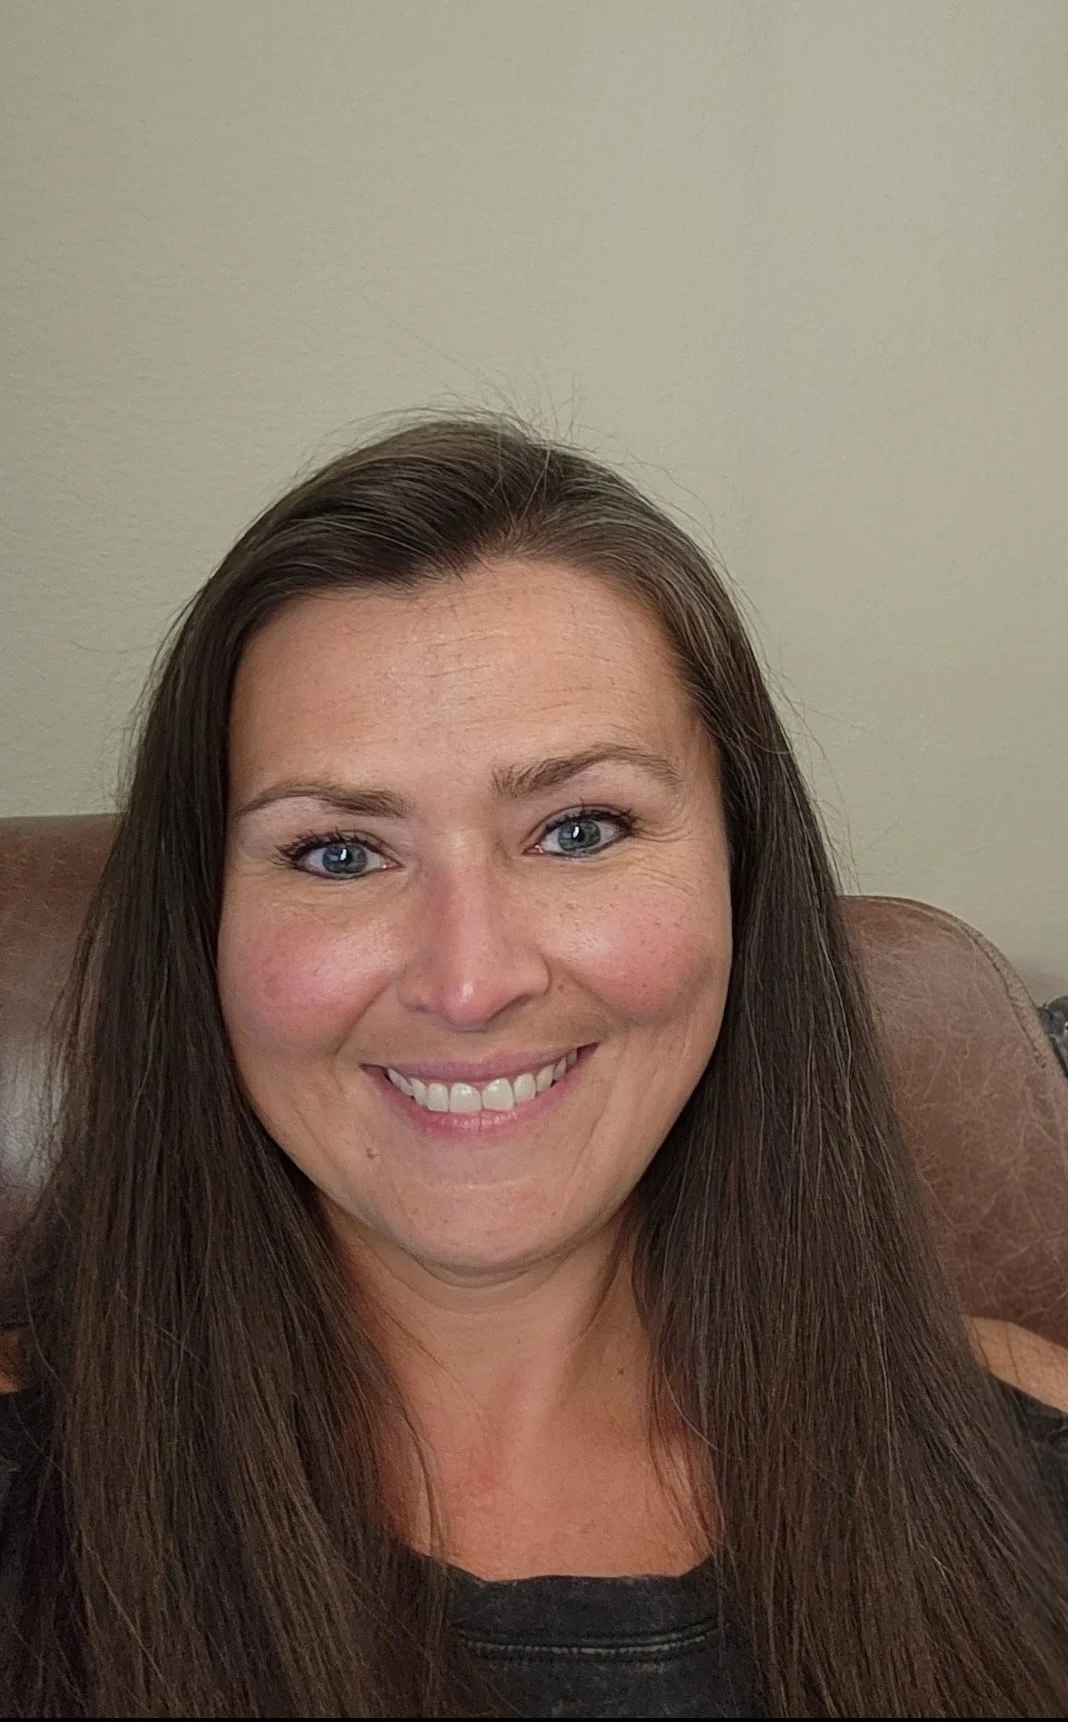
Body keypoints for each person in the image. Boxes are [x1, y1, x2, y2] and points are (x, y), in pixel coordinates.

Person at [0, 416, 1066, 1718]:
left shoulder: (1023, 1449)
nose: (469, 976)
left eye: (578, 827)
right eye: (339, 851)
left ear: (741, 875)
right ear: (203, 928)